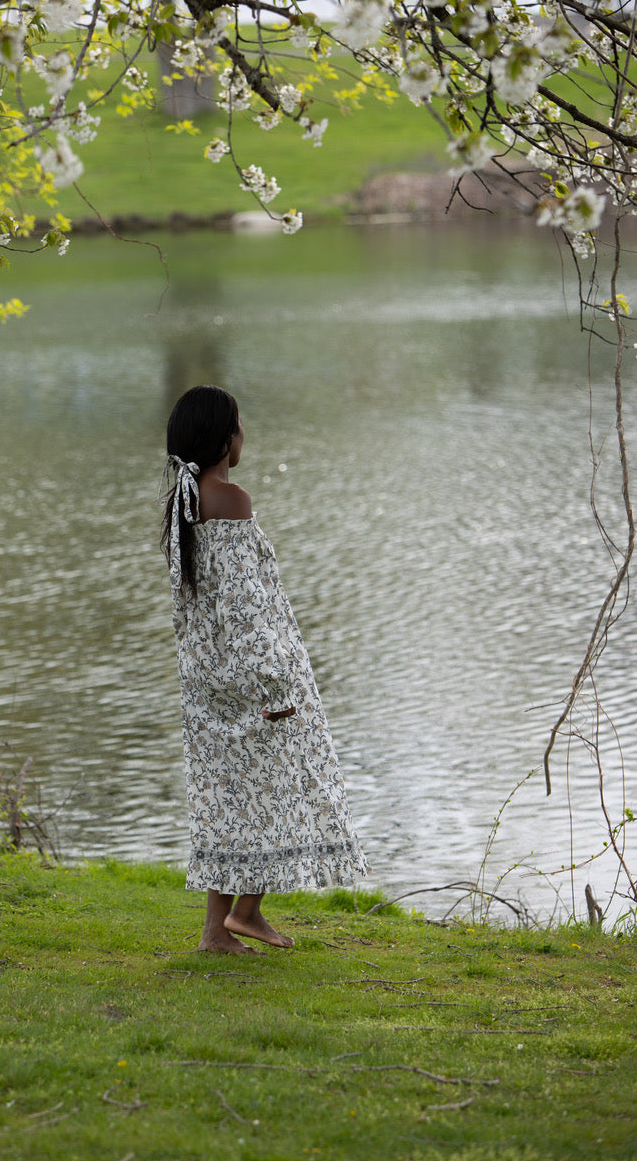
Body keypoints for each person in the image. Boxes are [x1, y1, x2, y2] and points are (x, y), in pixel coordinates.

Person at [160, 384, 368, 954]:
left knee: (230, 798)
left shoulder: (186, 500)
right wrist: (274, 683)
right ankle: (246, 912)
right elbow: (247, 606)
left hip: (208, 678)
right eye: (240, 424)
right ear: (224, 438)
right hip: (253, 676)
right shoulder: (229, 497)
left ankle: (213, 933)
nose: (245, 434)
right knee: (281, 782)